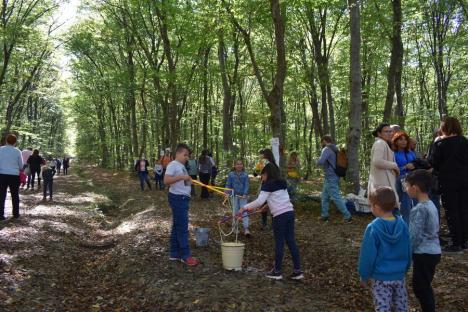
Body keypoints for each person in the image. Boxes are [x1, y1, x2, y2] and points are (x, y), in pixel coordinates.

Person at [239, 164, 303, 280]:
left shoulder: (267, 184)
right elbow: (279, 198)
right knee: (291, 241)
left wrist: (244, 208)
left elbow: (259, 201)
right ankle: (298, 271)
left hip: (280, 216)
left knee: (279, 242)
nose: (261, 178)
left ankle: (277, 271)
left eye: (262, 175)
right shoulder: (282, 182)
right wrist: (267, 206)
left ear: (266, 174)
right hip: (290, 213)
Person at [358, 187, 411, 312]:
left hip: (381, 278)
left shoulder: (373, 228)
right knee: (401, 306)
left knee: (382, 307)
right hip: (399, 275)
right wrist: (406, 267)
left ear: (376, 206)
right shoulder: (402, 225)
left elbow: (367, 255)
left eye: (370, 205)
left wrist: (364, 275)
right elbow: (408, 248)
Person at [430, 117, 468, 253]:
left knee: (452, 212)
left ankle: (456, 243)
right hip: (465, 181)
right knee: (463, 210)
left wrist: (435, 144)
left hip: (449, 182)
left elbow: (433, 162)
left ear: (445, 128)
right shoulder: (464, 141)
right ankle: (464, 241)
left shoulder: (441, 144)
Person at [406, 170, 441, 312]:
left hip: (423, 254)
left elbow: (414, 236)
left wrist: (406, 252)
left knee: (420, 287)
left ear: (415, 188)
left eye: (407, 186)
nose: (406, 189)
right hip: (434, 252)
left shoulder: (419, 209)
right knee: (424, 285)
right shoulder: (432, 205)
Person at [164, 143, 199, 266]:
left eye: (188, 155)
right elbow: (166, 180)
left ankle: (174, 253)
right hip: (178, 199)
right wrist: (181, 177)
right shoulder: (172, 164)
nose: (186, 157)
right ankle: (185, 255)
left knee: (177, 225)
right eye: (185, 155)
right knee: (183, 227)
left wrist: (191, 182)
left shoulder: (181, 166)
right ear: (178, 153)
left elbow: (184, 182)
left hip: (183, 198)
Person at [316, 136, 352, 222]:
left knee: (336, 197)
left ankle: (347, 216)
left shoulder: (326, 149)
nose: (321, 144)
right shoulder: (335, 149)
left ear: (324, 141)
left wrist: (316, 160)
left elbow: (321, 162)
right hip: (333, 176)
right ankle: (324, 215)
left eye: (322, 142)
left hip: (331, 176)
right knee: (324, 196)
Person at [368, 123, 399, 206]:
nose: (390, 133)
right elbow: (377, 161)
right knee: (387, 211)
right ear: (379, 133)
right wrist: (394, 165)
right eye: (386, 131)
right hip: (382, 185)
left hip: (383, 185)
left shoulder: (383, 143)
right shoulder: (380, 143)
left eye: (390, 131)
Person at [392, 131, 417, 223]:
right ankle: (404, 226)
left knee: (414, 204)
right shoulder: (393, 154)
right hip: (400, 181)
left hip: (413, 180)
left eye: (405, 139)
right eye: (400, 139)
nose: (403, 141)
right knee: (405, 205)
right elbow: (392, 169)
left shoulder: (410, 153)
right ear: (395, 141)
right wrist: (404, 167)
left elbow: (416, 163)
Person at [0, 134, 23, 220]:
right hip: (14, 175)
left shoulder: (0, 150)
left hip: (1, 175)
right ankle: (16, 214)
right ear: (15, 142)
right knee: (15, 195)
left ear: (6, 140)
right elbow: (21, 166)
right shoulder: (17, 151)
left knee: (1, 195)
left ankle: (0, 215)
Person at [226, 159, 250, 237]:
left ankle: (246, 228)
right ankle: (235, 227)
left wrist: (245, 194)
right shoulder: (231, 174)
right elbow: (228, 185)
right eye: (237, 164)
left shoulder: (245, 175)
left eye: (240, 164)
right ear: (234, 165)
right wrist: (226, 193)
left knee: (244, 211)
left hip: (243, 196)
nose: (239, 165)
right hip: (234, 196)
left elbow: (246, 185)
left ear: (243, 165)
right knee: (235, 211)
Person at [259, 148, 279, 230]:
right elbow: (258, 173)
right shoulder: (264, 163)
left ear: (266, 155)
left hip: (271, 188)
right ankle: (265, 224)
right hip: (265, 187)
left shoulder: (271, 165)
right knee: (264, 205)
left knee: (272, 205)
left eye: (262, 154)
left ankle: (274, 224)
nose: (261, 156)